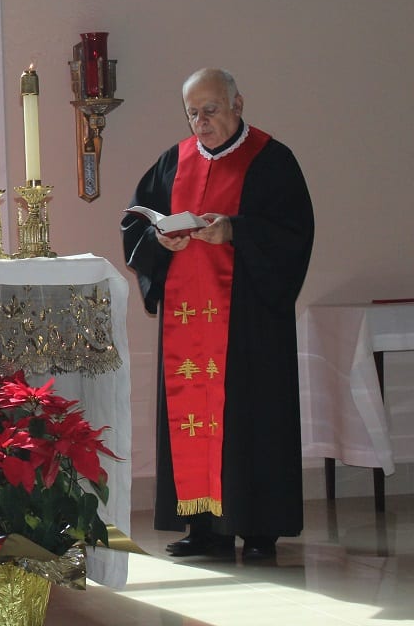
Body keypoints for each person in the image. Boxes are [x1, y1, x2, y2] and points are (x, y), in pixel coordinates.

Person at [121, 68, 314, 560]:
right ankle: (205, 529)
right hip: (187, 322)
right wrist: (158, 241)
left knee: (250, 418)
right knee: (193, 419)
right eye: (192, 113)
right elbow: (137, 223)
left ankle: (259, 528)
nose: (201, 122)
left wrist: (235, 232)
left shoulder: (272, 160)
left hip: (248, 321)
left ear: (238, 104)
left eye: (211, 110)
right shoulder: (173, 162)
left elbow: (293, 233)